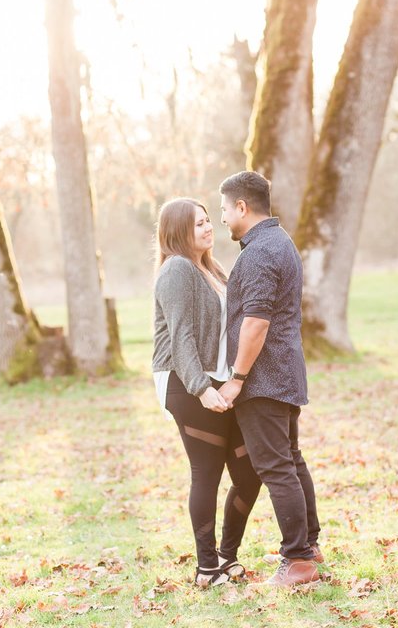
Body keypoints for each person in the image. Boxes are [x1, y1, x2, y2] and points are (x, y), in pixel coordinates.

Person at [215, 171, 323, 588]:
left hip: (264, 378)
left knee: (276, 466)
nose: (223, 217)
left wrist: (237, 379)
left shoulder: (260, 252)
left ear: (242, 207)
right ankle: (309, 547)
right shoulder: (280, 242)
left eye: (224, 208)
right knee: (290, 461)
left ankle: (297, 560)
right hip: (283, 372)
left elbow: (256, 322)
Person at [151, 198, 263, 587]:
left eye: (207, 221)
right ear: (178, 230)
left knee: (249, 472)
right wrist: (200, 389)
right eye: (197, 223)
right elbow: (180, 334)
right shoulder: (177, 270)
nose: (207, 227)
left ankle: (225, 555)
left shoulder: (210, 268)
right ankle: (205, 567)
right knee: (207, 473)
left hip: (214, 381)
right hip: (186, 383)